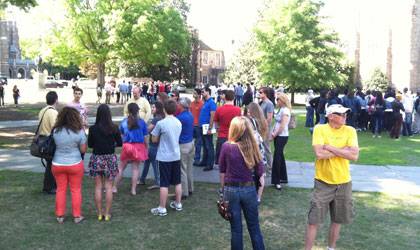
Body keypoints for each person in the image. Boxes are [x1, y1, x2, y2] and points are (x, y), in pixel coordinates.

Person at [304, 104, 359, 250]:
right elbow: (319, 154)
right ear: (331, 116)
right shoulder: (320, 129)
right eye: (341, 114)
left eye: (345, 114)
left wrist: (329, 147)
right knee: (313, 220)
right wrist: (342, 151)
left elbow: (354, 155)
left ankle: (331, 248)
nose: (345, 116)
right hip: (323, 182)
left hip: (344, 183)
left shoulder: (350, 130)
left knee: (337, 219)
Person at [219, 116, 265, 250]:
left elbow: (222, 172)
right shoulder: (253, 147)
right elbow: (260, 174)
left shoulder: (227, 147)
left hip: (230, 190)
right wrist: (258, 197)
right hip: (249, 190)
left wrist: (222, 192)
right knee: (254, 227)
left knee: (236, 229)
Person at [51, 107, 87, 224]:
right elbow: (83, 150)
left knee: (60, 190)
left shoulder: (56, 130)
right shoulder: (79, 131)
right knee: (75, 190)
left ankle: (60, 215)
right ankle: (77, 216)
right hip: (75, 163)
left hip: (57, 163)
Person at [88, 104, 122, 221]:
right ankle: (107, 213)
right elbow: (120, 143)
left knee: (98, 187)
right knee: (108, 187)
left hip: (97, 158)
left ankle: (99, 213)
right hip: (110, 159)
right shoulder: (114, 128)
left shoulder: (93, 129)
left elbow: (90, 145)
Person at [150, 100, 183, 216]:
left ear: (164, 110)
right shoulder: (178, 122)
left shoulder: (161, 123)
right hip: (176, 155)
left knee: (164, 183)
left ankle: (162, 208)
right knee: (177, 181)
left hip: (164, 156)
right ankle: (178, 203)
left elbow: (154, 139)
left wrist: (159, 138)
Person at [113, 103, 148, 195]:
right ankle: (133, 190)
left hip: (127, 146)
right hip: (138, 147)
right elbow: (145, 138)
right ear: (137, 111)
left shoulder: (124, 122)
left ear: (128, 111)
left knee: (121, 168)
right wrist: (146, 147)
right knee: (135, 169)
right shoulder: (142, 122)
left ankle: (114, 187)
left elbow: (121, 135)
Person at [245, 103, 268, 203]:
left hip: (253, 152)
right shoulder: (262, 122)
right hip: (261, 152)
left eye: (249, 111)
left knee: (253, 175)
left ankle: (253, 196)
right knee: (261, 175)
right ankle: (258, 197)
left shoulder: (251, 122)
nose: (248, 113)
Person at [139, 102, 164, 190]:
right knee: (147, 162)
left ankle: (158, 182)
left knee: (154, 164)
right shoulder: (159, 117)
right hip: (154, 144)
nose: (152, 109)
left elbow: (148, 129)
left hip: (155, 145)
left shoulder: (156, 119)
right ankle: (142, 179)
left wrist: (140, 128)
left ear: (158, 108)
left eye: (153, 107)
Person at [214, 90, 241, 166]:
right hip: (234, 137)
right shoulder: (238, 110)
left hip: (222, 136)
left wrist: (218, 129)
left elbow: (216, 123)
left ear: (225, 98)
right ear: (234, 98)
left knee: (221, 162)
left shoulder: (219, 109)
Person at [38, 91, 59, 194]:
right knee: (52, 165)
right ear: (56, 100)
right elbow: (55, 127)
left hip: (42, 139)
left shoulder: (42, 111)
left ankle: (47, 186)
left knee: (49, 165)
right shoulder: (53, 112)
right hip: (50, 141)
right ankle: (50, 187)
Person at [270, 93, 291, 190]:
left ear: (282, 100)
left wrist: (275, 134)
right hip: (279, 135)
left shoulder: (285, 110)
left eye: (278, 99)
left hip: (282, 136)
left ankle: (277, 181)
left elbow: (283, 125)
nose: (276, 101)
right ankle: (283, 177)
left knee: (277, 157)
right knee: (280, 155)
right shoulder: (281, 109)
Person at [177, 97, 195, 199]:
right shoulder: (190, 115)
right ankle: (190, 188)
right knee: (189, 167)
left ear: (182, 106)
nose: (178, 106)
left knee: (182, 169)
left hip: (183, 144)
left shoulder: (181, 117)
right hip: (191, 143)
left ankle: (184, 192)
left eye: (179, 104)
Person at [198, 86, 217, 171]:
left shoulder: (211, 102)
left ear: (208, 92)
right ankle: (204, 161)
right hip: (202, 126)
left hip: (207, 127)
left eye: (203, 92)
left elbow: (212, 115)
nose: (202, 93)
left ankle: (210, 164)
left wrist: (210, 128)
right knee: (205, 145)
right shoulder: (205, 102)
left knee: (209, 145)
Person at [258, 87, 274, 175]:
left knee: (266, 148)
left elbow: (269, 118)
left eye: (261, 92)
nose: (259, 94)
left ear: (266, 94)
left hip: (265, 129)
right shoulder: (262, 103)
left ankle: (270, 167)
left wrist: (263, 127)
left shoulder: (269, 104)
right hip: (260, 128)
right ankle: (263, 166)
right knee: (261, 147)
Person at [191, 89, 203, 165]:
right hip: (191, 126)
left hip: (198, 126)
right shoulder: (191, 103)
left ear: (199, 95)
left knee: (198, 143)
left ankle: (197, 159)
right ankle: (188, 158)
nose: (193, 94)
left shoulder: (202, 104)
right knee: (188, 143)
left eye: (195, 93)